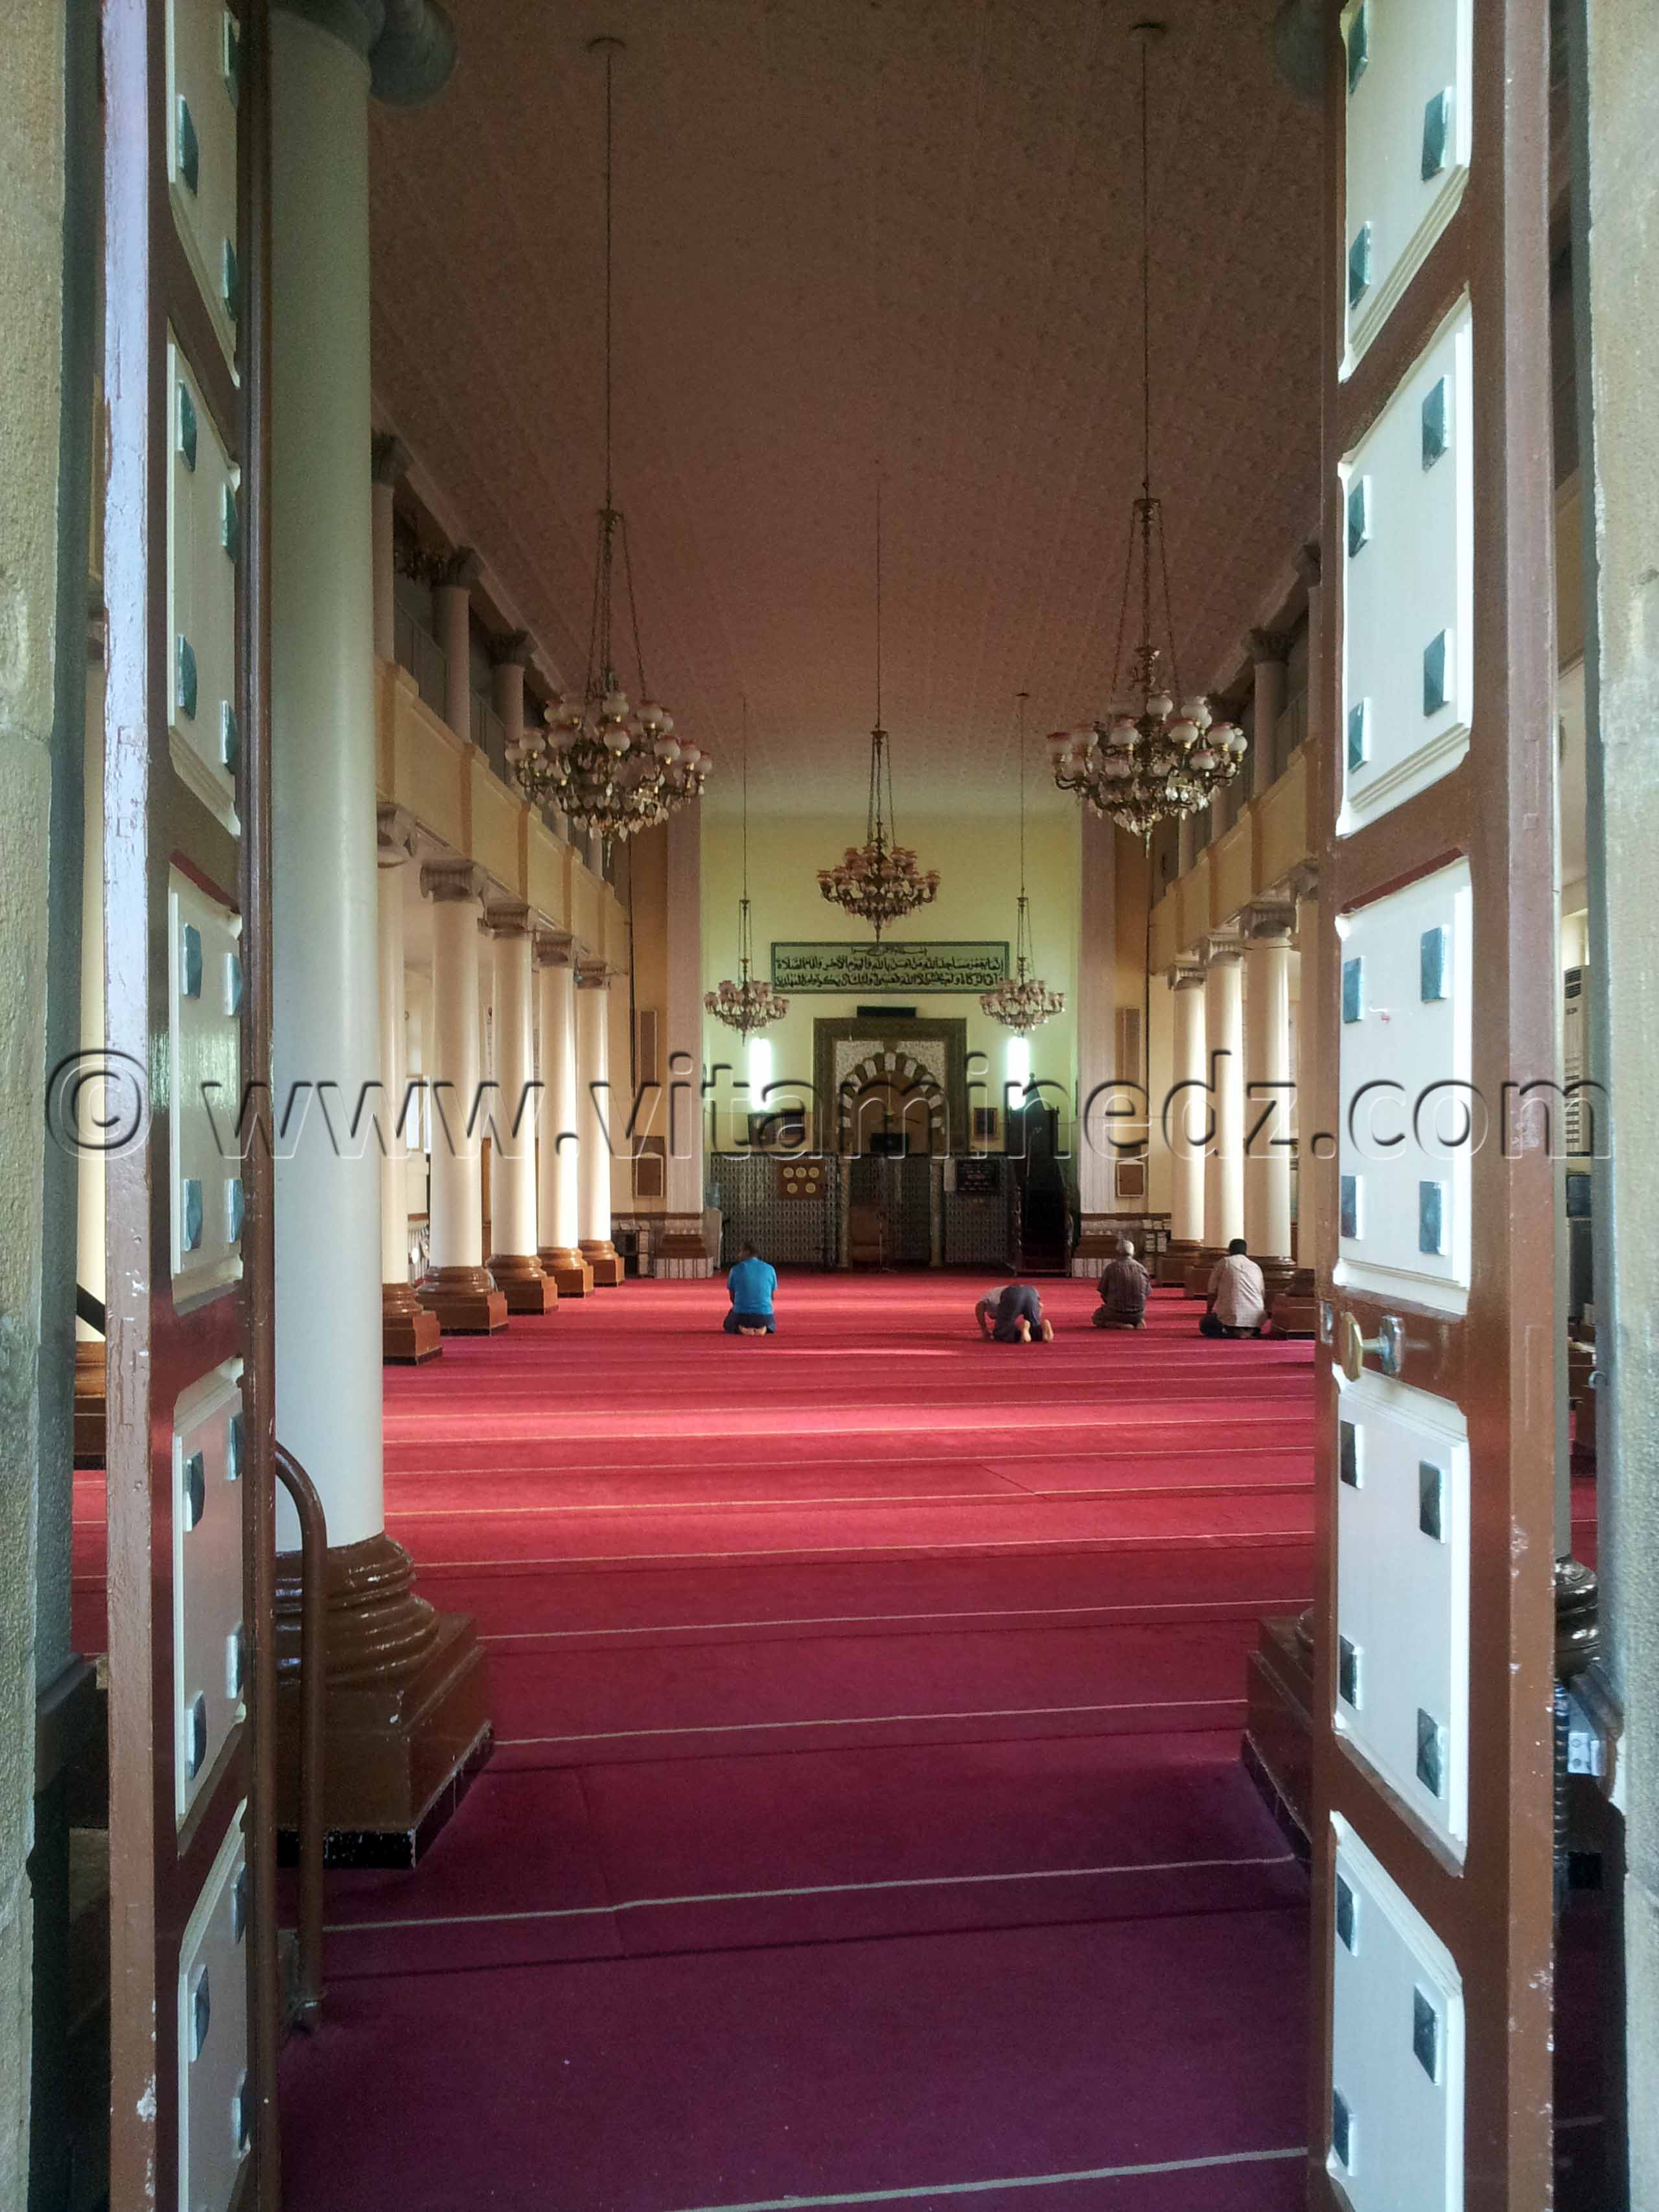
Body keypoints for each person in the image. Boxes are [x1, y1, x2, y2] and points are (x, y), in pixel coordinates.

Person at [1199, 1236, 1267, 1338]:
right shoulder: (1255, 1266)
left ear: (1229, 1251)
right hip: (1256, 1320)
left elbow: (1212, 1291)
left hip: (1230, 1317)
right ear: (1246, 1252)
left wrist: (1208, 1312)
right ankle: (1249, 1331)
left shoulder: (1224, 1262)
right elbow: (1262, 1294)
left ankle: (1234, 1331)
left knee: (1206, 1324)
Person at [1092, 1235, 1150, 1329]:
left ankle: (1119, 1324)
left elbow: (1103, 1292)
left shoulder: (1111, 1268)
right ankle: (1138, 1322)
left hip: (1115, 1312)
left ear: (1118, 1253)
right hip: (1139, 1313)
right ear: (1133, 1253)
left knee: (1097, 1317)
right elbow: (1147, 1293)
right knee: (1134, 1314)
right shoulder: (1142, 1269)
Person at [723, 1242, 778, 1336]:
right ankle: (764, 1328)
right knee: (772, 1322)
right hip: (764, 1316)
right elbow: (771, 1297)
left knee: (728, 1323)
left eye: (741, 1252)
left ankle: (742, 1328)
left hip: (742, 1316)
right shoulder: (770, 1269)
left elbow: (732, 1298)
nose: (739, 1255)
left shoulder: (735, 1269)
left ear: (747, 1252)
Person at [975, 1281, 1054, 1344]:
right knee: (1034, 1328)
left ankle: (1020, 1330)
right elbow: (1040, 1306)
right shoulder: (996, 1293)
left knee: (1000, 1332)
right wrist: (1036, 1321)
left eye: (993, 1317)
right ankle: (1041, 1330)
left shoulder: (988, 1299)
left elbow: (979, 1306)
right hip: (1031, 1291)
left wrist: (984, 1329)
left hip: (1012, 1294)